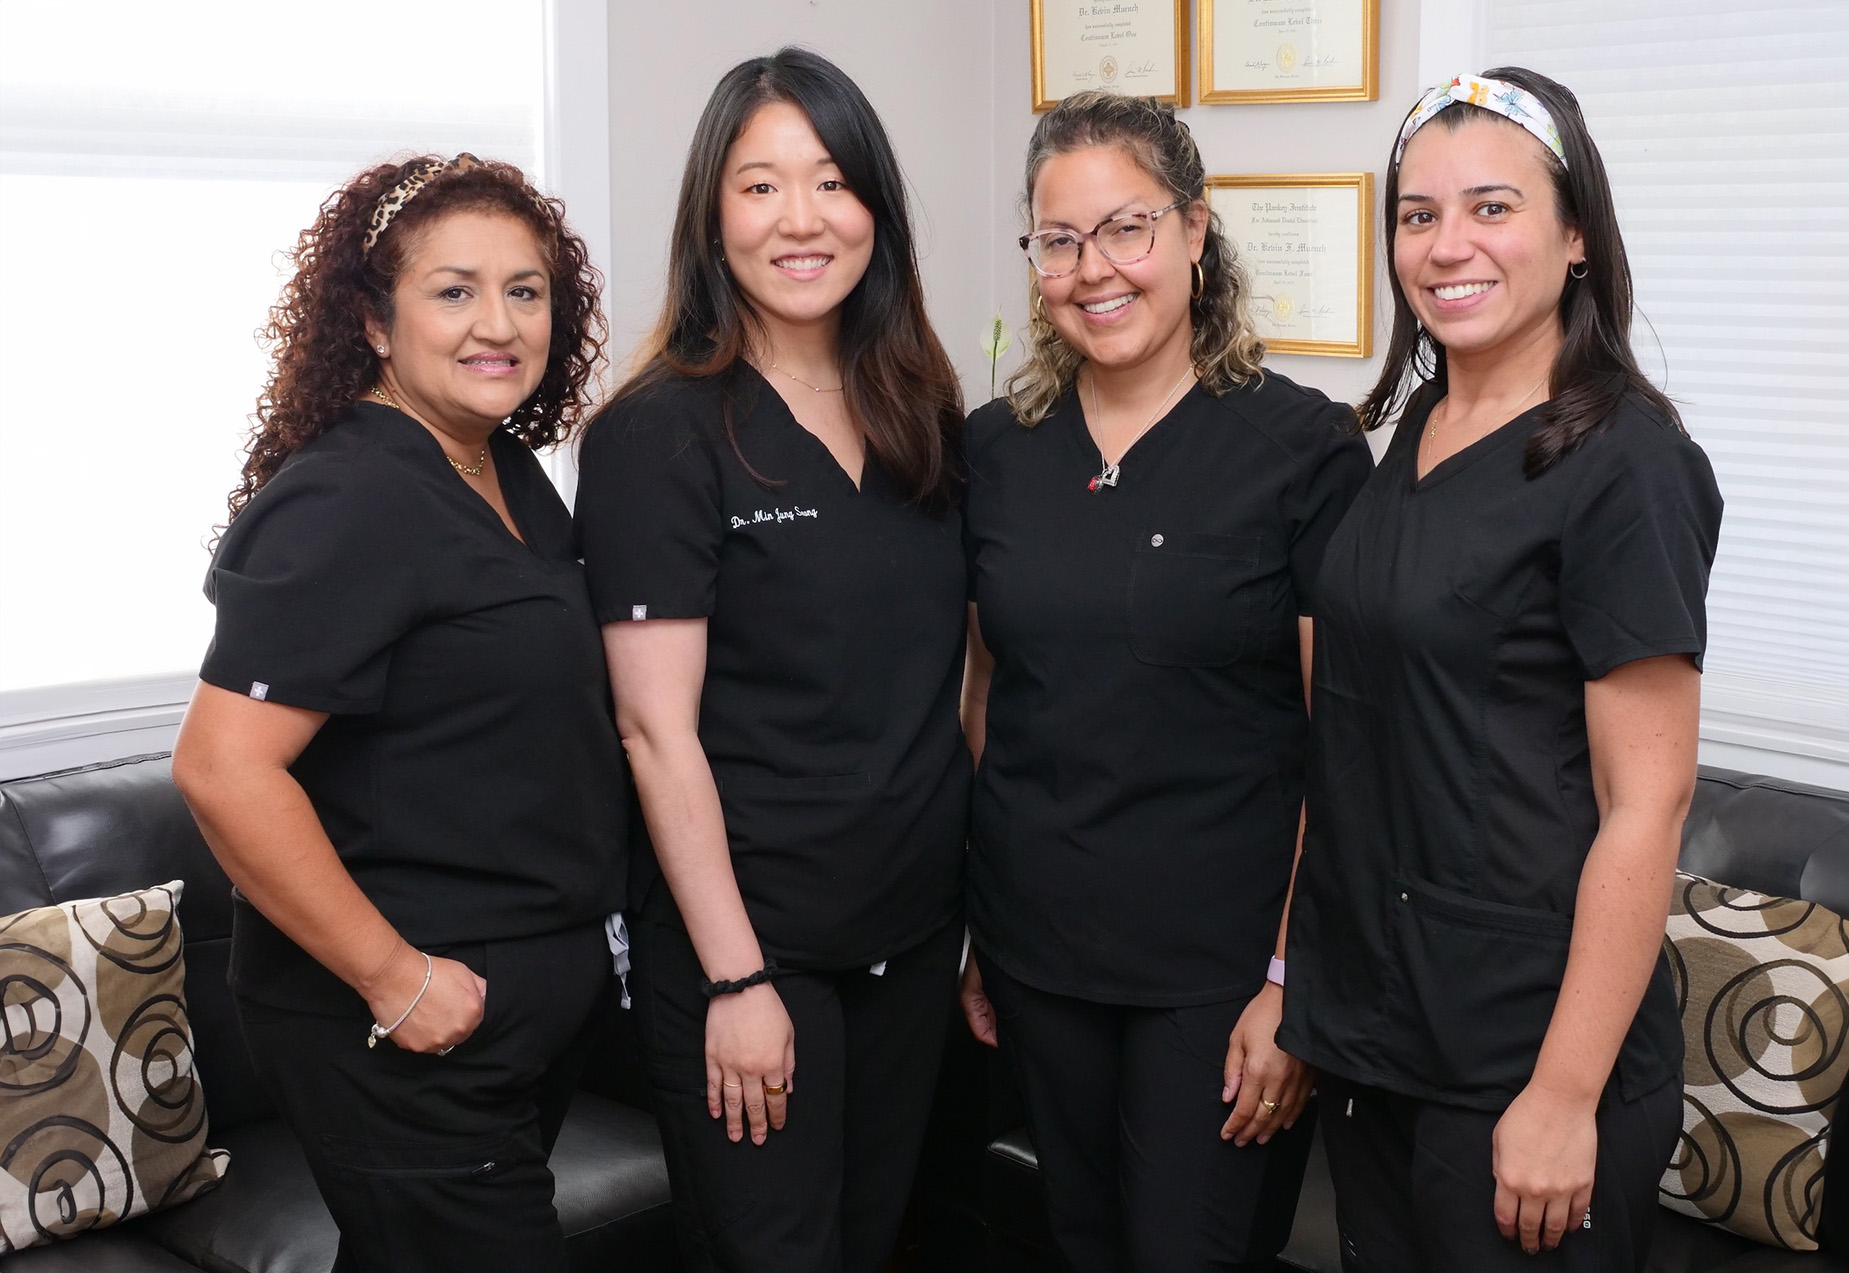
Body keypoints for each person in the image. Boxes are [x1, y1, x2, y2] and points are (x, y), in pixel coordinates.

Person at [1275, 69, 1724, 1270]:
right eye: (1417, 216)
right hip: (1380, 1036)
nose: (1445, 245)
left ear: (1575, 234)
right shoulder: (1408, 436)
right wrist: (1298, 988)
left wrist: (1563, 1093)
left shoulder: (1625, 463)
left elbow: (1650, 802)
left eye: (1491, 207)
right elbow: (1357, 741)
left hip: (1521, 1060)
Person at [171, 154, 623, 1273]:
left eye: (526, 291)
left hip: (517, 1004)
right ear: (374, 323)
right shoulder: (349, 496)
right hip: (403, 1020)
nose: (499, 323)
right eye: (454, 290)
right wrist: (394, 977)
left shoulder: (502, 469)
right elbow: (224, 770)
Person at [957, 91, 1371, 1271]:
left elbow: (1341, 741)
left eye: (1126, 228)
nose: (1094, 269)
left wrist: (1294, 980)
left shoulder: (1301, 449)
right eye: (1058, 239)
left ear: (1195, 230)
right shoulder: (997, 450)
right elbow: (989, 697)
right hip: (1042, 955)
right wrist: (985, 932)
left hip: (1223, 974)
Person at [572, 49, 968, 1273]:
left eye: (833, 182)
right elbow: (654, 730)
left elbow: (953, 677)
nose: (802, 219)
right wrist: (738, 979)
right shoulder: (658, 433)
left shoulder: (919, 408)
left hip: (910, 942)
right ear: (712, 216)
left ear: (875, 214)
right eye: (760, 187)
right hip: (755, 951)